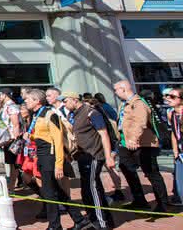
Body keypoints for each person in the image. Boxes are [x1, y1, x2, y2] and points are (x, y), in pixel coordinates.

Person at [25, 88, 91, 230]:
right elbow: (42, 135)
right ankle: (80, 220)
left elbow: (58, 141)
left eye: (28, 99)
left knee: (49, 194)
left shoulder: (50, 114)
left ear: (37, 101)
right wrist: (29, 136)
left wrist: (59, 165)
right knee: (56, 191)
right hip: (41, 156)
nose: (25, 101)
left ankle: (55, 226)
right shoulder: (36, 115)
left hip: (50, 156)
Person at [114, 80, 168, 212]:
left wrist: (133, 139)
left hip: (143, 144)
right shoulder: (125, 104)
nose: (115, 92)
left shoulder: (138, 103)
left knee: (151, 172)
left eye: (116, 90)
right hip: (126, 144)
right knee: (125, 167)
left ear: (123, 89)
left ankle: (163, 204)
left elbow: (140, 122)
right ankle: (139, 200)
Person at [64, 91, 116, 230]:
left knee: (92, 188)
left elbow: (104, 134)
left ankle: (102, 222)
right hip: (81, 155)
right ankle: (93, 218)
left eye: (65, 100)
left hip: (93, 155)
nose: (64, 103)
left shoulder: (91, 113)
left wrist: (109, 156)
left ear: (74, 100)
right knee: (87, 189)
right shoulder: (72, 115)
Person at [0, 88, 23, 190]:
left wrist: (16, 141)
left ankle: (12, 186)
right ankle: (11, 186)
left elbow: (15, 124)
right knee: (12, 164)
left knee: (15, 164)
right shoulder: (6, 106)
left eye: (0, 95)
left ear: (4, 95)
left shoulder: (11, 106)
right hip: (8, 139)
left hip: (13, 140)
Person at [167, 87, 183, 211]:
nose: (168, 98)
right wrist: (175, 151)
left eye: (172, 96)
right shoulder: (171, 113)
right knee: (180, 185)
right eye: (168, 95)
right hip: (180, 153)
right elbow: (173, 133)